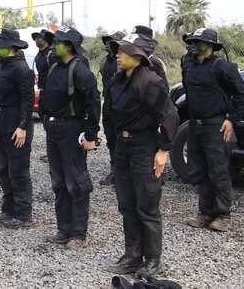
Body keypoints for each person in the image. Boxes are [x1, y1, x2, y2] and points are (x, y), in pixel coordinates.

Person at [106, 33, 179, 279]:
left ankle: (152, 260)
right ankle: (132, 255)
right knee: (127, 204)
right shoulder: (117, 81)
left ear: (138, 57)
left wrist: (163, 149)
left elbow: (169, 115)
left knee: (146, 206)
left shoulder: (150, 81)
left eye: (123, 51)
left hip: (144, 146)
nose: (118, 54)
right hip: (123, 146)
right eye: (118, 50)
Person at [182, 28, 244, 232]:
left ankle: (223, 214)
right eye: (192, 42)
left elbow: (241, 93)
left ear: (211, 46)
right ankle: (205, 212)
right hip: (195, 125)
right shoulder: (188, 64)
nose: (194, 46)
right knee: (199, 170)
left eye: (199, 42)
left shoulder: (222, 67)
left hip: (215, 125)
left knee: (218, 170)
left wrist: (231, 120)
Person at [40, 26, 101, 248]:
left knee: (76, 182)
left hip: (72, 130)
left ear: (69, 46)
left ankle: (78, 234)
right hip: (54, 129)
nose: (54, 45)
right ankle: (63, 229)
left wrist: (91, 134)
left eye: (58, 42)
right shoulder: (55, 66)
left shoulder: (80, 71)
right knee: (58, 182)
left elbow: (94, 102)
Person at [0, 28, 36, 229]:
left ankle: (23, 214)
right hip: (0, 121)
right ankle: (8, 209)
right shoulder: (2, 66)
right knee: (3, 168)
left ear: (11, 47)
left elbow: (27, 100)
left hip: (16, 123)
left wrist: (22, 126)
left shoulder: (22, 70)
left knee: (18, 170)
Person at [99, 31, 125, 186]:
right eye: (107, 42)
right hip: (108, 105)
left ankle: (122, 173)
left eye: (112, 42)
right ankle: (114, 170)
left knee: (123, 141)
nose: (108, 45)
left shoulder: (123, 61)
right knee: (111, 140)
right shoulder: (105, 62)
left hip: (120, 107)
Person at [31, 29, 57, 164]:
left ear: (46, 39)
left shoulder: (51, 55)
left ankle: (54, 153)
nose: (37, 40)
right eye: (35, 38)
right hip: (42, 92)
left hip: (51, 93)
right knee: (46, 124)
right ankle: (51, 152)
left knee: (51, 124)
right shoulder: (39, 55)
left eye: (39, 38)